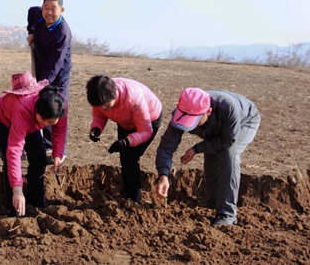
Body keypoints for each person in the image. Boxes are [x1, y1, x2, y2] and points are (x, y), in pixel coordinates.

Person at [155, 88, 261, 226]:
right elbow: (166, 146)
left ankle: (227, 213)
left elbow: (226, 141)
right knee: (211, 157)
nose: (188, 124)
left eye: (193, 120)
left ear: (208, 111)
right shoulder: (180, 113)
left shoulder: (228, 108)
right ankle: (213, 203)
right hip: (213, 126)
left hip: (244, 122)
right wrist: (163, 175)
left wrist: (196, 148)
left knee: (228, 154)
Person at [0, 72, 67, 216]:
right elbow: (14, 151)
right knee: (9, 160)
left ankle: (36, 203)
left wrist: (57, 155)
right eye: (45, 120)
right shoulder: (23, 110)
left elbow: (60, 131)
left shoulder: (59, 104)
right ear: (37, 110)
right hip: (2, 120)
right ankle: (12, 207)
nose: (48, 125)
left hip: (30, 124)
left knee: (40, 158)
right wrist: (17, 189)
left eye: (51, 121)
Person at [86, 75, 163, 203]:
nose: (104, 108)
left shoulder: (133, 98)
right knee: (124, 158)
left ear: (114, 94)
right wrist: (97, 128)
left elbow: (145, 131)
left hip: (149, 120)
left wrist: (126, 141)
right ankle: (129, 196)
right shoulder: (99, 97)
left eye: (106, 105)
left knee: (131, 158)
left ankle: (134, 201)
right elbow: (99, 114)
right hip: (125, 121)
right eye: (101, 106)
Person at [26, 0, 72, 162]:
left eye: (54, 8)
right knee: (42, 104)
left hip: (59, 73)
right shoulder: (37, 13)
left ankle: (59, 149)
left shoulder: (63, 33)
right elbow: (31, 13)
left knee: (57, 105)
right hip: (40, 63)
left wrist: (41, 84)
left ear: (62, 10)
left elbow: (55, 63)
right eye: (46, 7)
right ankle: (45, 143)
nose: (49, 12)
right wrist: (31, 31)